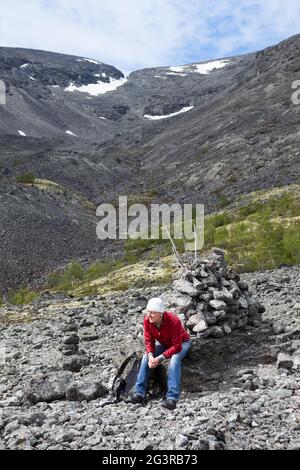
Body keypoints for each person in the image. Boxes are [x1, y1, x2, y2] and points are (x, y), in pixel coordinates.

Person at [132, 297, 191, 410]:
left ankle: (172, 398)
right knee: (145, 357)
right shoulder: (147, 321)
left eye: (152, 313)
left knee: (174, 360)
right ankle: (139, 393)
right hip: (165, 343)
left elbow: (177, 346)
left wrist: (159, 358)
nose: (149, 315)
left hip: (182, 343)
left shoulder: (174, 320)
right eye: (148, 311)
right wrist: (150, 356)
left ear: (160, 313)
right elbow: (149, 341)